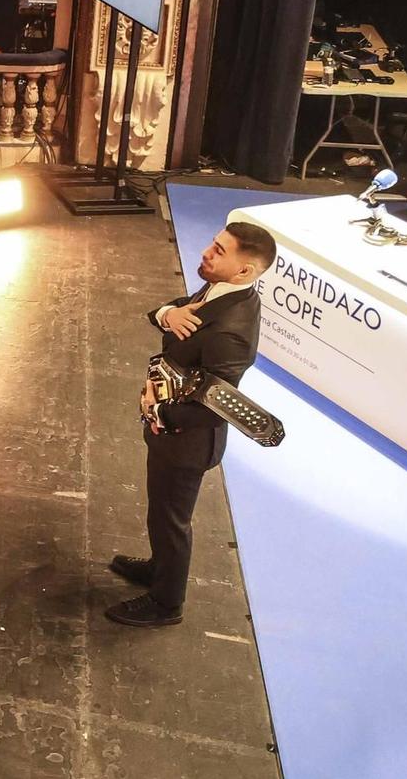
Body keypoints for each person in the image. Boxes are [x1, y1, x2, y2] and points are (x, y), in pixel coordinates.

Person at [107, 222, 275, 628]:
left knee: (171, 520)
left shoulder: (231, 333)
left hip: (186, 442)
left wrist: (160, 416)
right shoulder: (223, 291)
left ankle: (167, 603)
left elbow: (216, 405)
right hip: (172, 433)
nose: (206, 253)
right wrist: (168, 313)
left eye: (219, 250)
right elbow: (180, 309)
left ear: (244, 271)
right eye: (213, 244)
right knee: (161, 515)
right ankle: (159, 569)